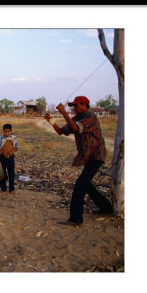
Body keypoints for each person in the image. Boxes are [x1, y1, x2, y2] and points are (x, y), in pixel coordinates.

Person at [44, 95, 114, 227]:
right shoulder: (77, 118)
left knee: (80, 185)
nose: (74, 108)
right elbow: (61, 132)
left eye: (77, 105)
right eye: (73, 106)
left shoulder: (91, 117)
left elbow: (76, 129)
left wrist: (63, 112)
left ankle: (76, 218)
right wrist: (52, 122)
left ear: (84, 105)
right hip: (88, 156)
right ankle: (106, 208)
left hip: (96, 155)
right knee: (86, 184)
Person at [0, 123, 19, 193]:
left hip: (11, 158)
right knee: (2, 173)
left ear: (11, 131)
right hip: (2, 158)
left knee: (11, 173)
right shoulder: (0, 138)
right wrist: (4, 154)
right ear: (3, 131)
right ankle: (3, 188)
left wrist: (11, 152)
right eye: (5, 131)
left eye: (8, 132)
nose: (6, 133)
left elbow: (16, 147)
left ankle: (11, 189)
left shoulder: (14, 138)